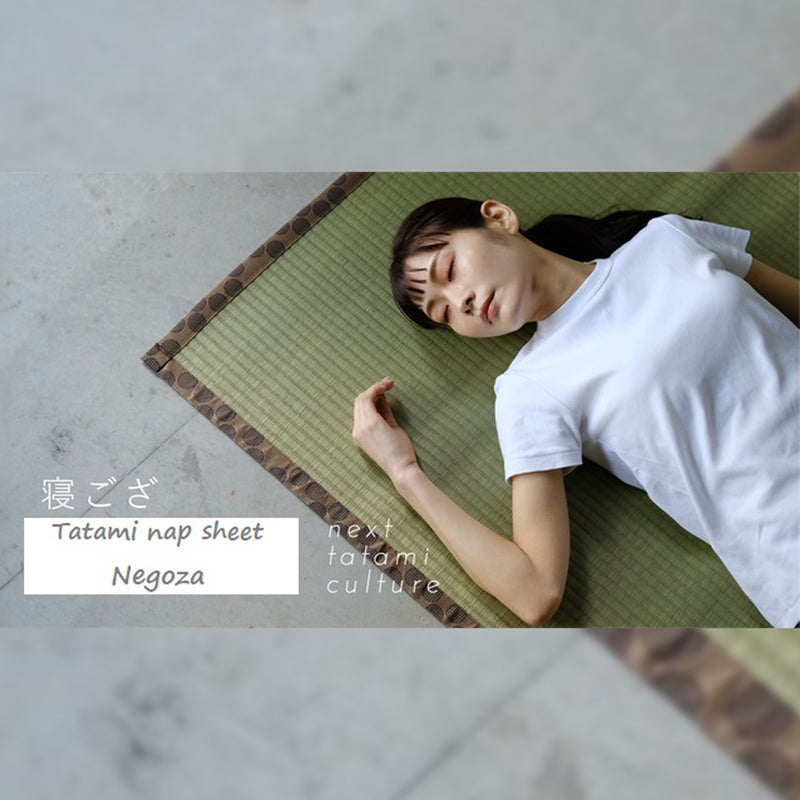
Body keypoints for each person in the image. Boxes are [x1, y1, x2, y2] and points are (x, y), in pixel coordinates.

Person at [351, 197, 800, 627]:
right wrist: (403, 471)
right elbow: (535, 593)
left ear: (498, 217)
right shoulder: (529, 390)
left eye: (449, 270)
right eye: (445, 313)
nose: (461, 303)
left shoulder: (668, 238)